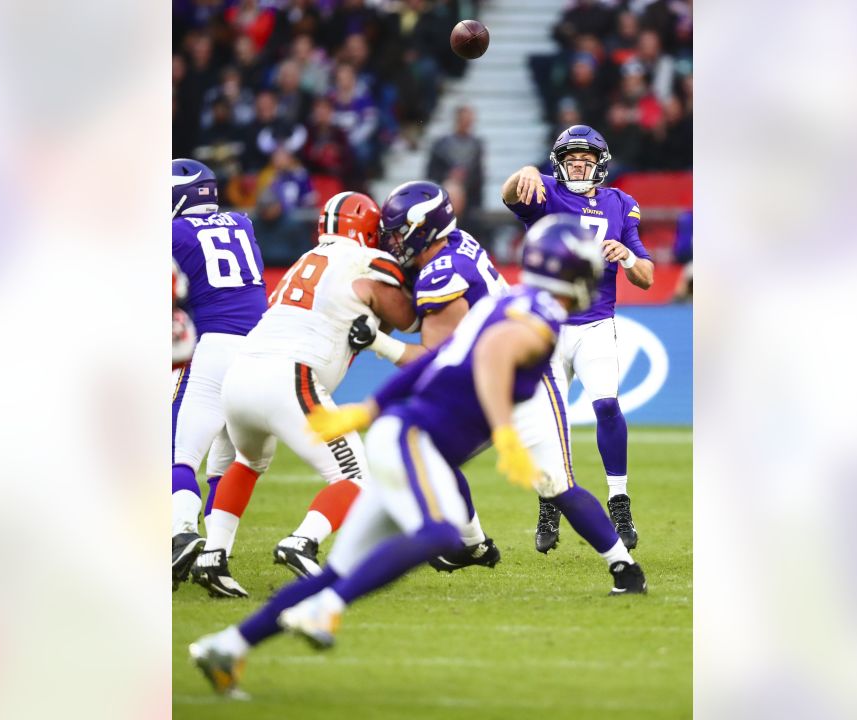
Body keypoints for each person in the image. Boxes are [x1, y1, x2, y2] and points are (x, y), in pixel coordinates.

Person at [189, 214, 647, 699]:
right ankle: (327, 608)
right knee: (440, 531)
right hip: (415, 442)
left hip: (402, 435)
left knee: (340, 571)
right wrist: (505, 435)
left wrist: (369, 407)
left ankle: (226, 645)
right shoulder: (540, 319)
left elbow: (434, 357)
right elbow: (493, 356)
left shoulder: (511, 299)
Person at [351, 182, 642, 579]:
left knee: (556, 484)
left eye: (400, 231)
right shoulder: (459, 242)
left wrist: (379, 344)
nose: (395, 241)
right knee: (430, 453)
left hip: (521, 385)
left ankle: (623, 566)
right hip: (489, 374)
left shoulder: (442, 274)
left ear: (423, 228)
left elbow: (436, 359)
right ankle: (474, 545)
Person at [189, 192, 419, 597]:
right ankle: (303, 541)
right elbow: (407, 315)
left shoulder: (306, 259)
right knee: (357, 479)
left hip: (240, 374)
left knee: (247, 461)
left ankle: (213, 554)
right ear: (366, 228)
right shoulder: (365, 260)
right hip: (290, 377)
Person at [502, 125, 656, 552]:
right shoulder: (546, 190)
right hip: (548, 324)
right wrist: (523, 172)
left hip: (594, 323)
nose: (579, 165)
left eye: (586, 159)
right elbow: (509, 195)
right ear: (559, 163)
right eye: (571, 159)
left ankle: (619, 500)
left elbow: (646, 276)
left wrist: (625, 256)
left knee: (606, 404)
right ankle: (549, 500)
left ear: (601, 164)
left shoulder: (620, 204)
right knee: (550, 420)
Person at [170, 159, 269, 591]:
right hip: (262, 354)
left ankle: (180, 533)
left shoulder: (172, 234)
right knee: (227, 466)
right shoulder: (241, 224)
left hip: (213, 350)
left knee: (178, 455)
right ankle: (216, 558)